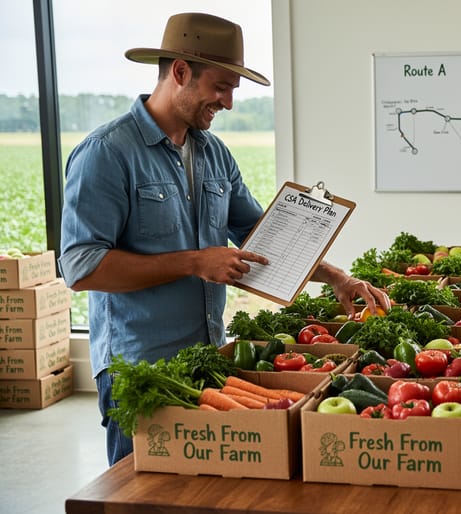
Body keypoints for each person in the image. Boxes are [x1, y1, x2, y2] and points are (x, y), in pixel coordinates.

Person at [57, 12, 391, 467]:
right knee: (140, 493)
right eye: (221, 87)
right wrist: (194, 262)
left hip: (208, 361)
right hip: (140, 369)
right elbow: (81, 267)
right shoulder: (107, 154)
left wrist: (337, 277)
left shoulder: (213, 152)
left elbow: (262, 236)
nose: (229, 102)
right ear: (179, 72)